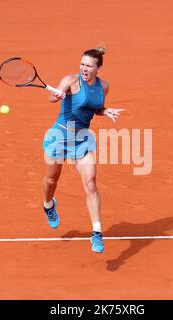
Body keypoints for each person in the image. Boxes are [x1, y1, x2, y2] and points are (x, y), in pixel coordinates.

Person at [41, 45, 124, 253]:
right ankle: (48, 204)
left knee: (91, 184)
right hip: (59, 136)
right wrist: (57, 95)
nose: (84, 68)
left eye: (89, 65)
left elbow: (95, 108)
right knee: (52, 180)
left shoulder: (103, 86)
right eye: (82, 64)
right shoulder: (70, 80)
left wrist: (107, 111)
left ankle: (97, 233)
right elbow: (52, 98)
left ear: (99, 69)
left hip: (81, 139)